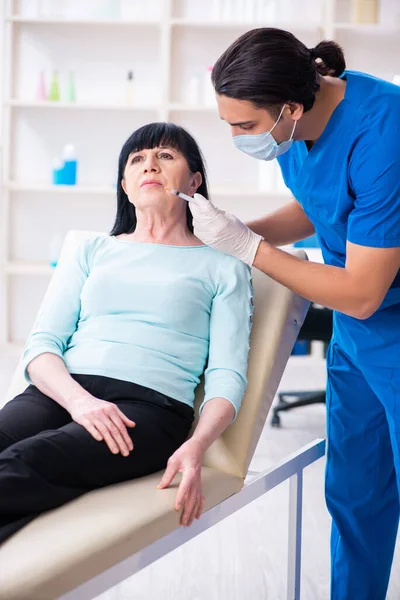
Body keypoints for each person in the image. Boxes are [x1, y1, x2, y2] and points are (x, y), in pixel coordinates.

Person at [187, 28, 400, 600]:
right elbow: (320, 206)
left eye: (245, 127)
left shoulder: (385, 130)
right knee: (356, 495)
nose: (235, 138)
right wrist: (239, 231)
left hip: (381, 314)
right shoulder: (297, 127)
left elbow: (361, 292)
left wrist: (249, 250)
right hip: (359, 337)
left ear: (290, 107)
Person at [0, 122, 253, 544]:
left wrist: (197, 446)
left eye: (166, 155)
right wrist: (81, 403)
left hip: (148, 408)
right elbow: (42, 346)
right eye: (137, 159)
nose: (149, 164)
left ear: (194, 181)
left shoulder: (224, 266)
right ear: (125, 185)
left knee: (26, 462)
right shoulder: (91, 250)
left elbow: (228, 377)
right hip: (62, 391)